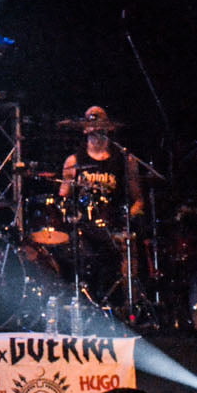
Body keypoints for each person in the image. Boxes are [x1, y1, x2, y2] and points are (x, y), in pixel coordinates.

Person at [58, 107, 146, 309]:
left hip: (114, 227)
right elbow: (63, 197)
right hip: (85, 229)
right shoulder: (74, 161)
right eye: (91, 123)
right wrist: (67, 214)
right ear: (84, 129)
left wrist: (128, 219)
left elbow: (139, 200)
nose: (96, 128)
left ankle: (125, 306)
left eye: (100, 123)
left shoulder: (124, 160)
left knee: (125, 255)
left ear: (109, 127)